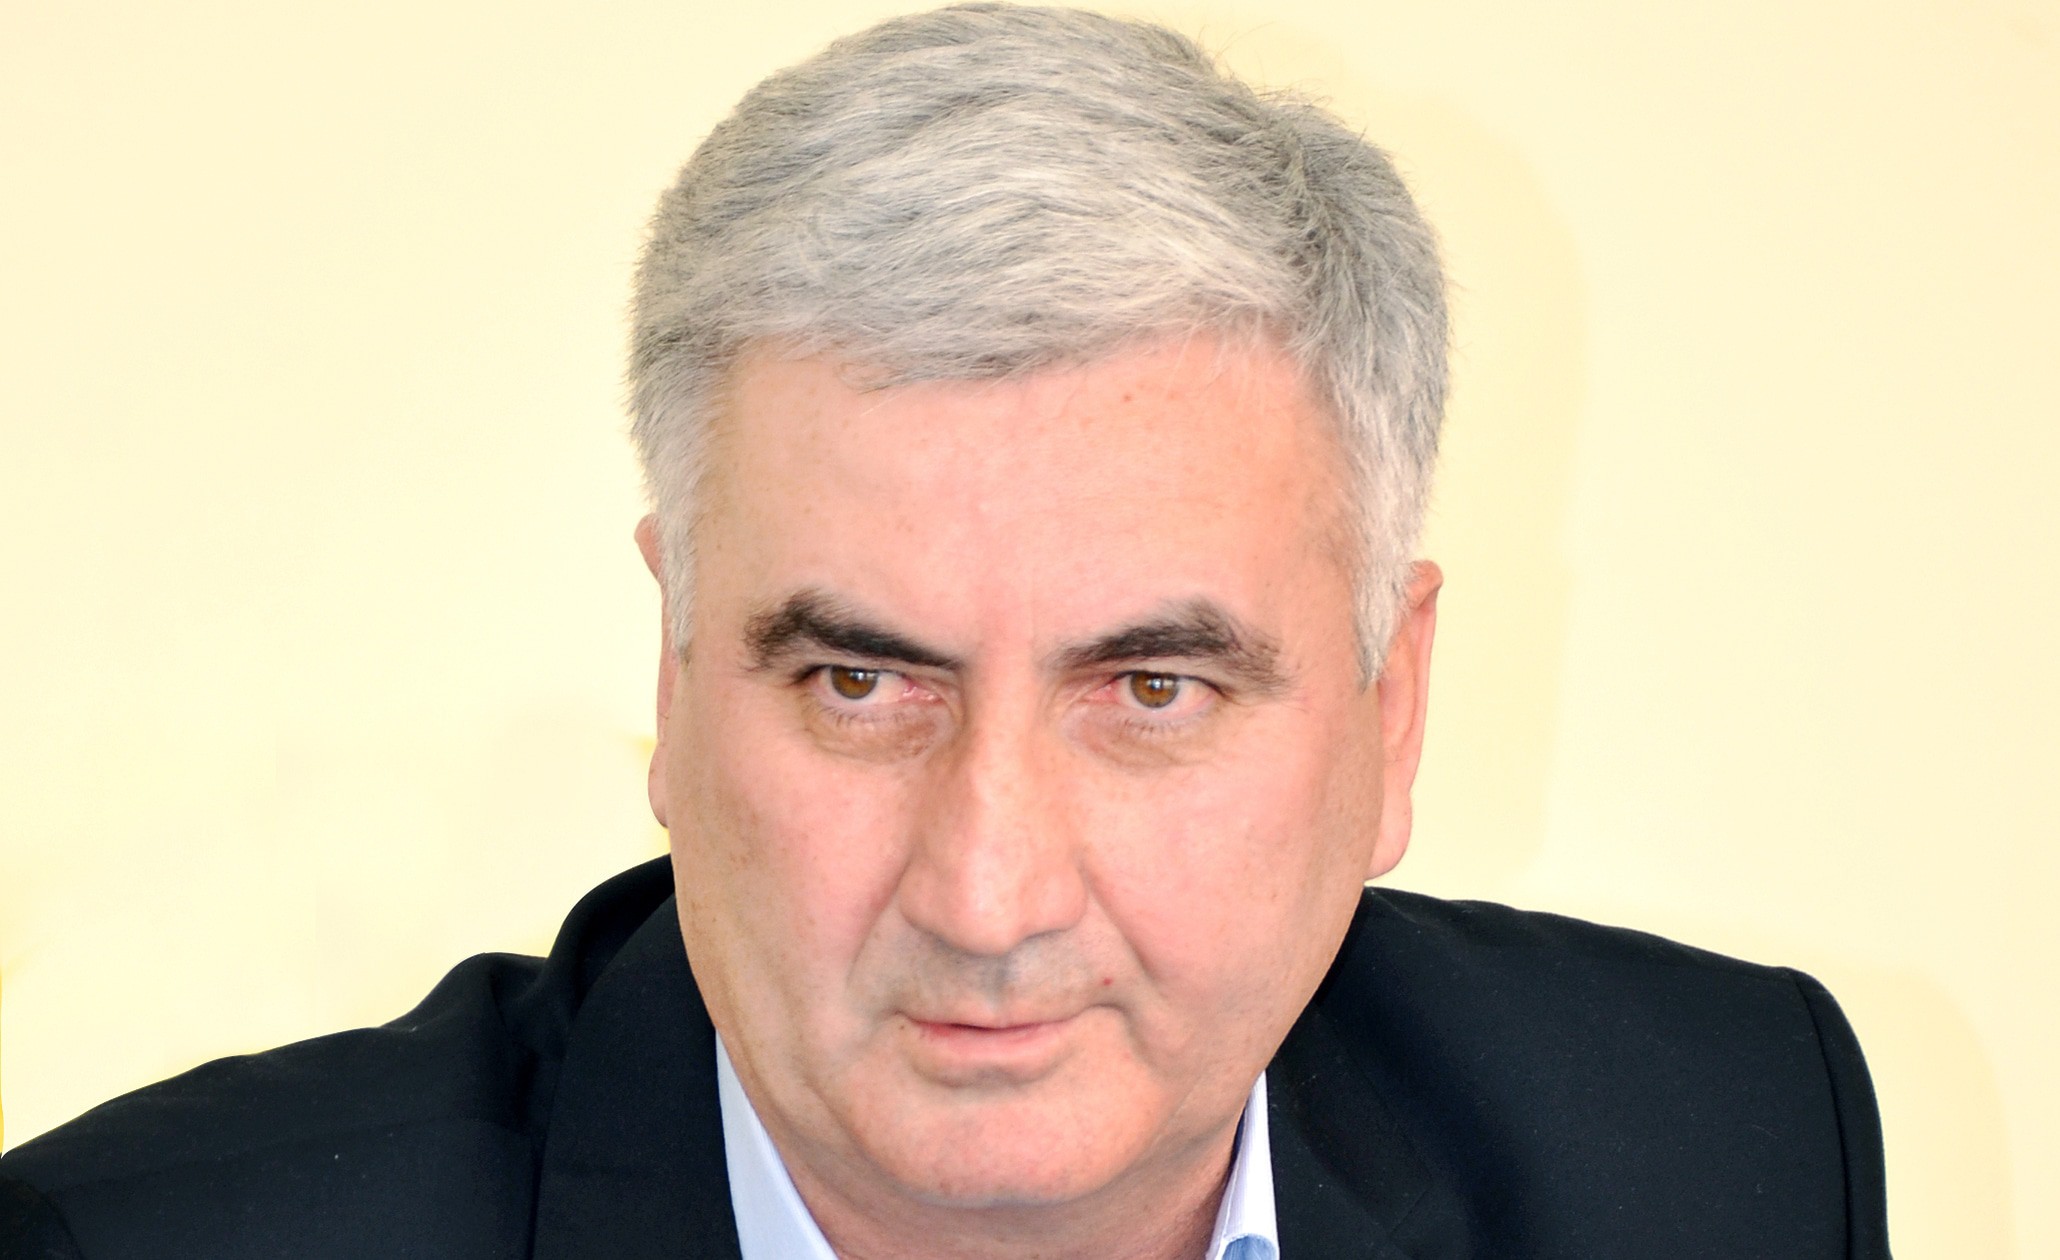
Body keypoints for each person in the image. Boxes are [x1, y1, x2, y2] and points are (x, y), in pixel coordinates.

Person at [0, 5, 1889, 1257]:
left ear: (1393, 722)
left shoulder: (1721, 1159)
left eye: (1152, 689)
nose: (988, 898)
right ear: (675, 674)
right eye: (860, 682)